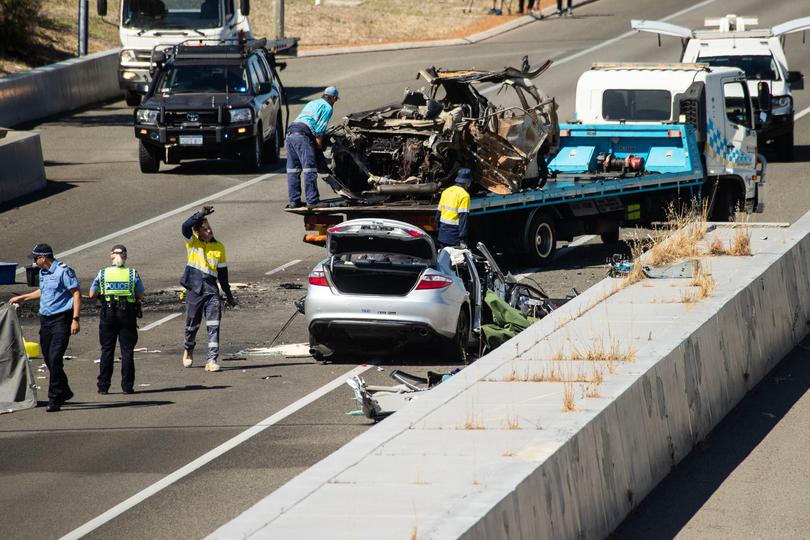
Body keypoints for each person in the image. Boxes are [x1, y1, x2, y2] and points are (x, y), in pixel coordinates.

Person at [9, 244, 80, 412]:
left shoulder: (63, 271)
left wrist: (75, 319)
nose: (34, 262)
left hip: (62, 319)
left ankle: (54, 398)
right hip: (46, 320)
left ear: (44, 258)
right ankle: (65, 390)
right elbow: (44, 291)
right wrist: (23, 298)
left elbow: (76, 293)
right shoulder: (43, 272)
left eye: (36, 258)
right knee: (48, 358)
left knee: (56, 357)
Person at [180, 206, 235, 372]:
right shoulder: (192, 243)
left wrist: (229, 295)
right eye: (205, 228)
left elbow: (223, 276)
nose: (209, 230)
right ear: (198, 232)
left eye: (210, 227)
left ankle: (211, 360)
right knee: (191, 326)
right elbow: (184, 226)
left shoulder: (219, 247)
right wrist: (200, 214)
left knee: (214, 325)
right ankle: (188, 349)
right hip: (194, 289)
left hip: (211, 291)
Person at [88, 245, 145, 395]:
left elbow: (92, 293)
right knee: (127, 351)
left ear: (111, 257)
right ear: (125, 257)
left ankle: (103, 386)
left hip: (108, 313)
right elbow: (140, 294)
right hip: (127, 314)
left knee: (107, 350)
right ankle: (127, 387)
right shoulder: (132, 273)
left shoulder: (103, 273)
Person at [286, 86, 339, 209]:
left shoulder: (313, 102)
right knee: (310, 169)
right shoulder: (327, 107)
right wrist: (319, 148)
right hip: (302, 136)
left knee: (293, 170)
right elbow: (319, 130)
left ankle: (294, 202)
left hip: (290, 134)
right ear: (334, 98)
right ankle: (312, 201)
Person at [435, 168, 473, 249]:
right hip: (454, 235)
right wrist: (462, 239)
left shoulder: (446, 191)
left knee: (443, 258)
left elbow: (438, 213)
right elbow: (463, 219)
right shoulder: (464, 195)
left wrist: (438, 229)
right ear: (467, 182)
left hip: (443, 233)